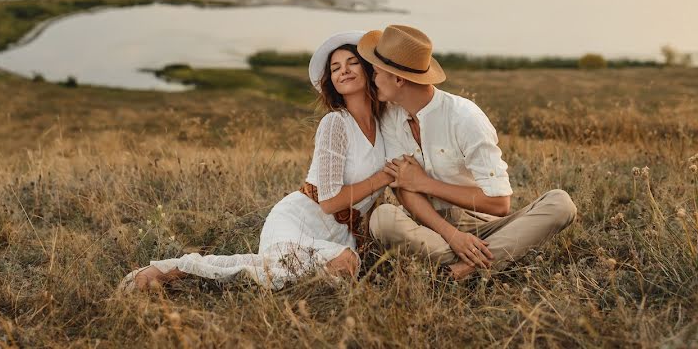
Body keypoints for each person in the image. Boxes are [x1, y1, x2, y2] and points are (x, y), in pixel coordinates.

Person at [121, 31, 392, 291]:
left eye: (352, 63)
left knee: (341, 270)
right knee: (289, 270)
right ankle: (177, 268)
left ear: (369, 70)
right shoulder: (335, 123)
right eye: (335, 68)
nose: (343, 70)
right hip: (300, 220)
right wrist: (382, 178)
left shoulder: (383, 128)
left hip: (341, 233)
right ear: (331, 81)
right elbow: (331, 201)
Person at [357, 25, 577, 280]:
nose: (372, 80)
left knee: (560, 204)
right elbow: (404, 188)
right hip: (428, 227)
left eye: (375, 73)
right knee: (382, 219)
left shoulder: (465, 117)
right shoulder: (391, 117)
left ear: (398, 79)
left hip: (482, 225)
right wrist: (452, 235)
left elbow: (499, 203)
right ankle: (483, 261)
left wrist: (426, 184)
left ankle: (463, 269)